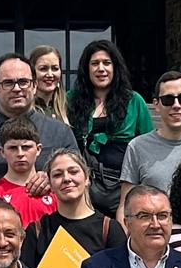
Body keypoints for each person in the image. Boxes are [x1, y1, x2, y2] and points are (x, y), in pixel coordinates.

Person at [66, 39, 153, 218]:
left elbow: (149, 147)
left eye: (107, 63)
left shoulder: (134, 100)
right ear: (86, 68)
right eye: (95, 63)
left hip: (121, 190)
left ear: (115, 67)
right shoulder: (71, 100)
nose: (101, 69)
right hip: (81, 187)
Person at [0, 53, 78, 186]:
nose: (17, 89)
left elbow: (77, 177)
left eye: (23, 82)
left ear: (35, 86)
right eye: (8, 83)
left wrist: (52, 177)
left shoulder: (59, 133)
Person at [118, 72, 181, 212]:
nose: (176, 105)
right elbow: (125, 205)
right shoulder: (137, 147)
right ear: (156, 104)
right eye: (168, 100)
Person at [0, 116, 57, 228]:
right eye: (13, 148)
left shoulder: (55, 190)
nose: (20, 154)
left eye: (26, 147)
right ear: (2, 152)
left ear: (38, 149)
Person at [29, 44, 69, 124]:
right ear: (32, 73)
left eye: (55, 68)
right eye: (43, 69)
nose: (50, 74)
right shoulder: (25, 111)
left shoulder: (68, 109)